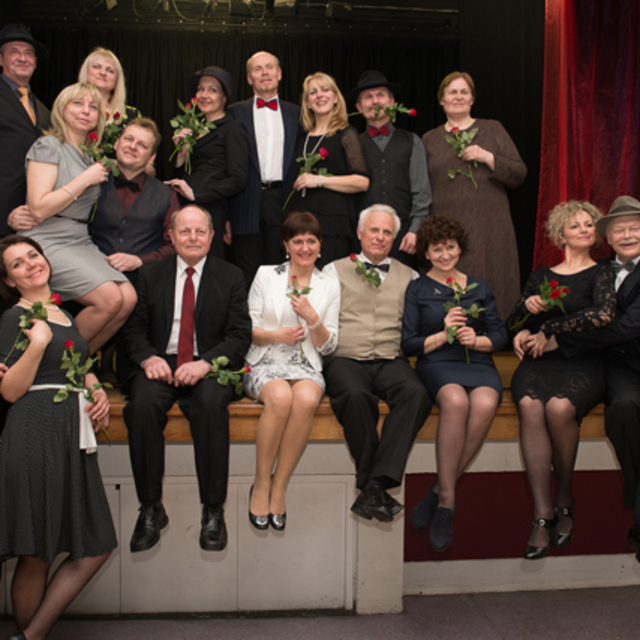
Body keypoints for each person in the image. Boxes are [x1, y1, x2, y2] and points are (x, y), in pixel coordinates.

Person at [0, 235, 116, 640]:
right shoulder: (14, 318)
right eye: (17, 263)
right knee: (37, 553)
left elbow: (76, 365)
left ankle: (30, 637)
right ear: (10, 280)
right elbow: (10, 390)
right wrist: (37, 345)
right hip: (35, 429)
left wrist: (94, 386)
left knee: (97, 544)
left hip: (71, 434)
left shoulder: (62, 311)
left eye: (33, 255)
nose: (30, 264)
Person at [122, 204, 251, 553]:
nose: (192, 237)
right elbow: (133, 330)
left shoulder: (231, 276)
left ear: (211, 236)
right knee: (141, 406)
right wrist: (148, 357)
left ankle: (213, 509)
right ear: (172, 236)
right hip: (160, 362)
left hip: (208, 364)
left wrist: (206, 363)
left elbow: (239, 336)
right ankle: (151, 506)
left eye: (200, 231)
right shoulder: (150, 275)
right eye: (184, 231)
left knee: (209, 406)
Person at [506, 201, 615, 560]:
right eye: (575, 225)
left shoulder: (602, 273)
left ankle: (564, 496)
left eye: (589, 224)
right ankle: (542, 515)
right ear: (560, 234)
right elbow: (512, 324)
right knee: (529, 405)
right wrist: (524, 321)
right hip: (539, 363)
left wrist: (551, 328)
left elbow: (603, 315)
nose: (584, 229)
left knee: (559, 408)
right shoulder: (540, 275)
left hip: (584, 361)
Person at [402, 215, 507, 551]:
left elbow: (500, 335)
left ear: (460, 248)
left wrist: (477, 340)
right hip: (437, 362)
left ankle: (437, 489)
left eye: (450, 247)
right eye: (437, 249)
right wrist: (443, 331)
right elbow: (409, 343)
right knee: (457, 402)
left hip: (478, 361)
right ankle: (447, 502)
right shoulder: (418, 288)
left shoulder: (479, 286)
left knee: (486, 404)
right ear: (426, 253)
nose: (445, 254)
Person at [323, 204, 432, 522]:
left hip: (389, 357)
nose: (380, 237)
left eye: (387, 232)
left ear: (394, 238)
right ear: (360, 233)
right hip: (345, 357)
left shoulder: (410, 276)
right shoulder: (332, 271)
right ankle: (376, 483)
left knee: (416, 394)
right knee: (355, 396)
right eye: (374, 230)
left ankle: (373, 485)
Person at [551, 196, 640, 564]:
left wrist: (563, 339)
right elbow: (569, 308)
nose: (627, 234)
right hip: (615, 368)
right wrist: (533, 326)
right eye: (619, 229)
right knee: (624, 407)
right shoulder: (597, 270)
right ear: (609, 237)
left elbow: (628, 327)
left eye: (635, 227)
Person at [22, 82, 137, 354]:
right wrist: (85, 179)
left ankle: (77, 366)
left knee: (128, 298)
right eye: (78, 103)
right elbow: (38, 209)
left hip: (78, 239)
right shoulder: (49, 145)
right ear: (62, 108)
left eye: (93, 107)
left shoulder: (89, 155)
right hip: (47, 236)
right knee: (109, 298)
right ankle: (51, 365)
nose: (86, 111)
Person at [244, 211, 340, 530]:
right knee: (281, 398)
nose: (305, 247)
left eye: (311, 240)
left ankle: (280, 484)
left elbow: (328, 345)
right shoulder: (265, 275)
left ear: (320, 245)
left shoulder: (329, 284)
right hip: (266, 359)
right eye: (297, 241)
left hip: (306, 364)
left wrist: (313, 318)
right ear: (285, 245)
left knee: (307, 399)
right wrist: (277, 335)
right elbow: (250, 330)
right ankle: (261, 482)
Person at [422, 71, 527, 319]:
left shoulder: (492, 129)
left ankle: (495, 332)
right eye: (452, 92)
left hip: (490, 227)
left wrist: (487, 157)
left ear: (472, 99)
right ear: (442, 100)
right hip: (446, 228)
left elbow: (518, 173)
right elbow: (421, 186)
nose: (458, 96)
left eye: (464, 92)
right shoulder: (429, 139)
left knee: (492, 278)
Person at [227, 51, 301, 285]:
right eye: (258, 69)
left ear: (279, 74)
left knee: (281, 270)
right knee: (247, 271)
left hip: (283, 201)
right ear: (250, 79)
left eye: (269, 67)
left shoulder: (297, 114)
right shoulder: (234, 113)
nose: (265, 72)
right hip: (244, 200)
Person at [286, 72, 370, 268]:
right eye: (313, 92)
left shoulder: (346, 134)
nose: (320, 95)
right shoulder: (301, 137)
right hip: (301, 222)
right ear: (307, 102)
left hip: (333, 223)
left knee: (329, 277)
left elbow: (362, 182)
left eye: (325, 90)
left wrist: (319, 180)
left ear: (335, 98)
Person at [166, 66, 249, 260]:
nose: (204, 95)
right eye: (200, 89)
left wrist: (196, 194)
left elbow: (238, 180)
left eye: (212, 90)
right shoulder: (193, 129)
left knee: (207, 268)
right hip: (184, 207)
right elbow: (178, 177)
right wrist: (181, 155)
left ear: (224, 96)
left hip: (211, 211)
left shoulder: (233, 129)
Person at [350, 70, 431, 266]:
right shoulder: (351, 143)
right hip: (360, 240)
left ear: (392, 102)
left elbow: (421, 192)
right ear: (359, 107)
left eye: (380, 95)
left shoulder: (412, 141)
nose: (375, 101)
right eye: (368, 97)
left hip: (403, 239)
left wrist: (415, 230)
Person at [0, 23, 51, 236]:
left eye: (28, 53)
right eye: (14, 52)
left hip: (33, 222)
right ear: (1, 59)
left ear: (35, 61)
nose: (23, 58)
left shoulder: (44, 111)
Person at [78, 47, 141, 140]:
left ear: (116, 81)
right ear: (85, 72)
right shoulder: (69, 107)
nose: (103, 73)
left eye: (110, 71)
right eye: (96, 67)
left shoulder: (132, 115)